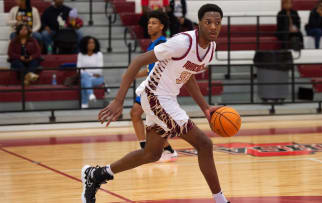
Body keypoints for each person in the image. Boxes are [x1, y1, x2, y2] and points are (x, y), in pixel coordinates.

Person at [82, 4, 231, 203]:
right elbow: (137, 62)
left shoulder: (210, 49)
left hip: (165, 98)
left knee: (151, 154)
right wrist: (119, 100)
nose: (213, 27)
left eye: (218, 23)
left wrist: (205, 108)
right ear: (199, 24)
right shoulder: (182, 42)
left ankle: (96, 174)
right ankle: (221, 200)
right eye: (208, 22)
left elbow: (188, 77)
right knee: (204, 144)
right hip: (155, 96)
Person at [131, 11, 177, 162]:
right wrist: (134, 74)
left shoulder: (162, 43)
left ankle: (150, 149)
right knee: (141, 115)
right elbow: (151, 68)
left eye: (154, 23)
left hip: (158, 88)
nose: (150, 26)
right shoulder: (153, 44)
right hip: (150, 85)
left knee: (138, 114)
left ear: (162, 26)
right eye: (149, 23)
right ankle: (163, 148)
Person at [77, 36, 104, 109]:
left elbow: (99, 70)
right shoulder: (80, 55)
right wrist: (91, 73)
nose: (92, 44)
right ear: (85, 44)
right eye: (89, 43)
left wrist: (86, 71)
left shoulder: (99, 54)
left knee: (84, 80)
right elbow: (79, 70)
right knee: (85, 79)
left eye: (93, 43)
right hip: (88, 77)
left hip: (98, 79)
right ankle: (90, 94)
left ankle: (84, 103)